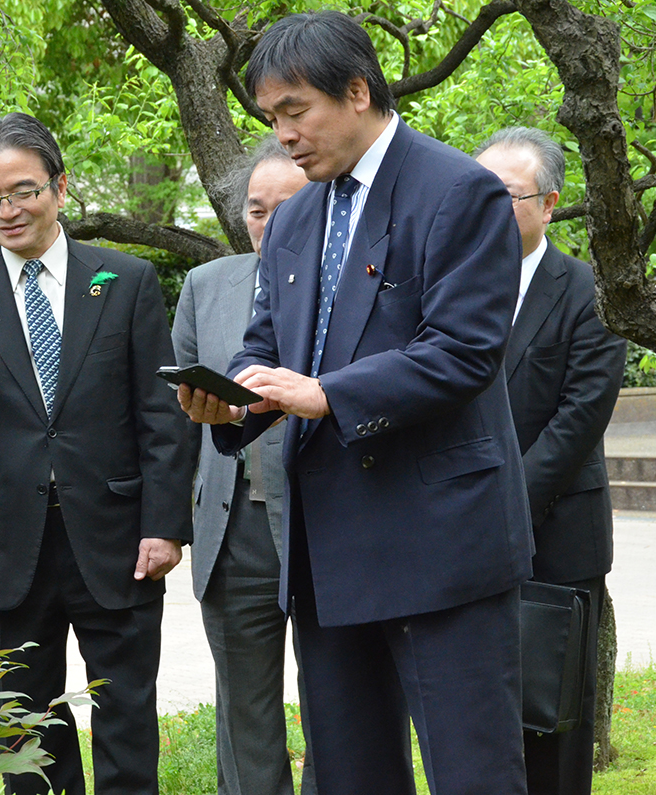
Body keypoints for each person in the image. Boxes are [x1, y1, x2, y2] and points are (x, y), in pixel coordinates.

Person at [180, 11, 535, 794]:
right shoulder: (298, 215)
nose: (284, 135)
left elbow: (464, 352)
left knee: (472, 771)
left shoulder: (459, 191)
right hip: (326, 549)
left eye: (295, 111)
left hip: (442, 544)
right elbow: (264, 344)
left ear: (357, 89)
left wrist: (326, 394)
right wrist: (239, 400)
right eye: (271, 118)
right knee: (350, 775)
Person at [0, 112, 193, 795]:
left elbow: (160, 412)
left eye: (22, 190)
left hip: (117, 540)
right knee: (24, 729)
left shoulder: (125, 280)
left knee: (125, 716)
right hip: (4, 544)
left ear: (59, 186)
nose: (6, 210)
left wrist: (166, 523)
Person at [475, 127, 627, 795]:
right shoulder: (453, 289)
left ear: (549, 202)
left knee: (554, 717)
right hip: (462, 536)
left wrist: (502, 508)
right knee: (480, 718)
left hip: (556, 532)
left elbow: (577, 420)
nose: (487, 210)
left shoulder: (590, 293)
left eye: (504, 196)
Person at [172, 135, 315, 795]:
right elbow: (178, 420)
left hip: (326, 524)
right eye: (258, 210)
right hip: (235, 532)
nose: (269, 224)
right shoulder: (206, 285)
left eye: (288, 207)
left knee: (337, 703)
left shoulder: (355, 285)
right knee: (245, 711)